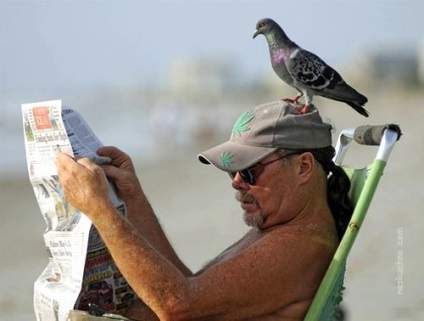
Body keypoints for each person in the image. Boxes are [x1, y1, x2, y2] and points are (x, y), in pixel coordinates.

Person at [56, 101, 353, 320]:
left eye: (250, 171)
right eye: (232, 171)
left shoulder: (299, 245)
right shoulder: (283, 229)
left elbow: (177, 306)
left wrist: (100, 210)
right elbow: (190, 288)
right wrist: (132, 197)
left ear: (303, 167)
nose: (237, 183)